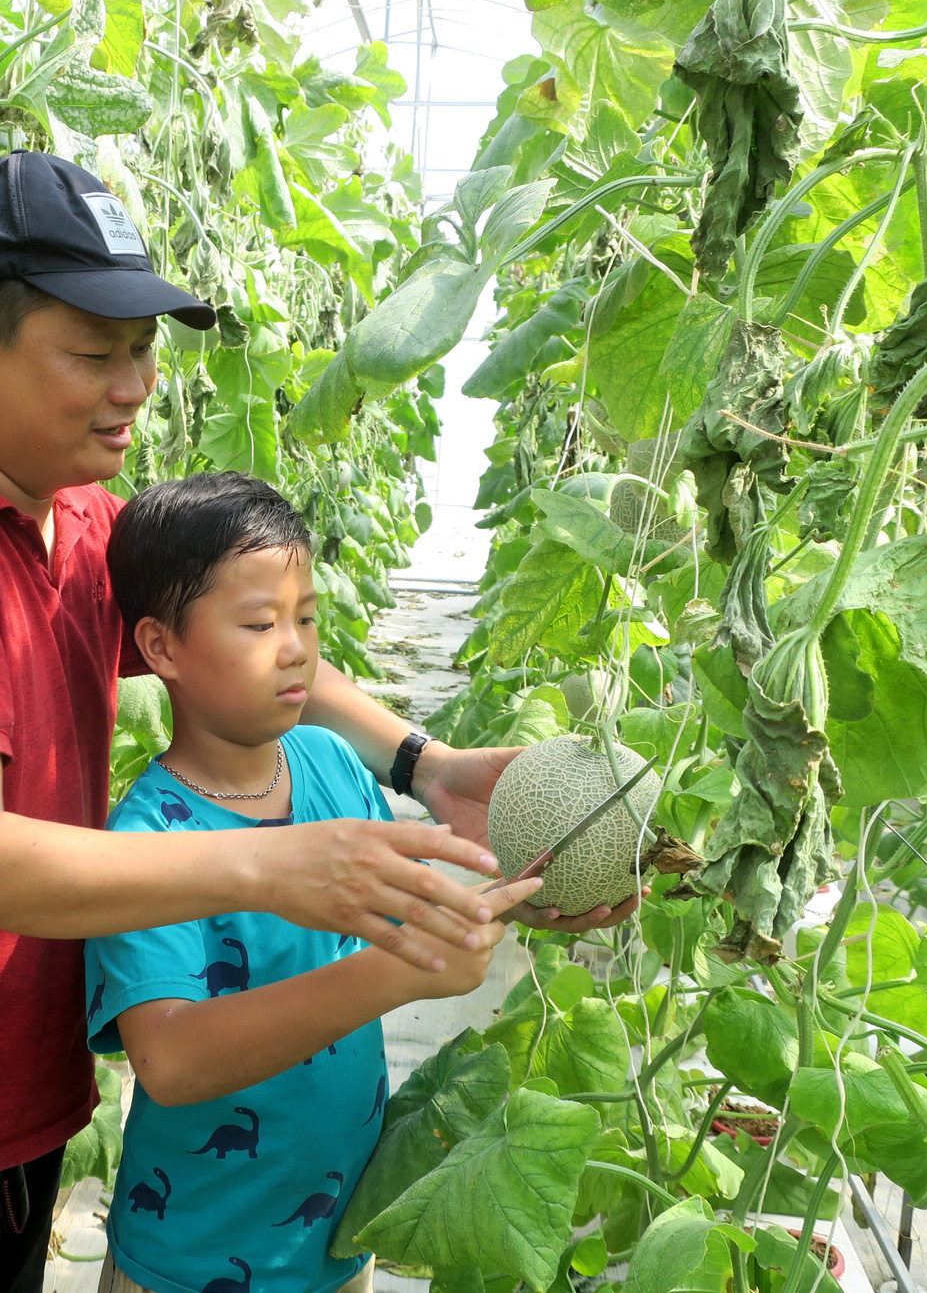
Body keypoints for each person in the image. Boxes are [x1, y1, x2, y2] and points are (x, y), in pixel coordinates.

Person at [0, 150, 640, 1292]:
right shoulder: (172, 821)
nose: (135, 385)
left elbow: (234, 636)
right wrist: (270, 869)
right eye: (94, 353)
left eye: (144, 350)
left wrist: (431, 772)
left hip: (35, 1087)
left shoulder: (82, 524)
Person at [86, 472, 532, 1293]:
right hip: (188, 1262)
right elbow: (172, 1060)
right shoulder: (146, 842)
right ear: (159, 648)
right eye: (259, 623)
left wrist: (532, 874)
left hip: (330, 1247)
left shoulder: (329, 761)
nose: (296, 647)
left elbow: (411, 899)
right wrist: (407, 968)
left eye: (307, 617)